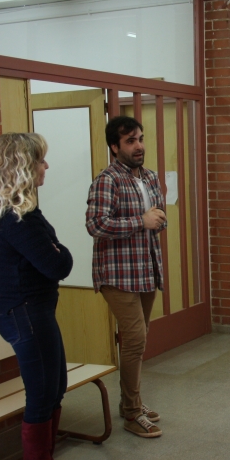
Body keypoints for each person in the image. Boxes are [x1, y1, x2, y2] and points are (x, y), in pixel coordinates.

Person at [0, 133, 77, 460]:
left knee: (56, 388)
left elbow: (55, 257)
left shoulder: (22, 212)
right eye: (40, 161)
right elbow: (59, 264)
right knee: (42, 395)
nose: (46, 167)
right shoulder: (19, 219)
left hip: (32, 311)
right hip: (26, 313)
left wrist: (56, 250)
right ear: (21, 168)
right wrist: (58, 249)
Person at [86, 116, 166, 438]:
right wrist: (140, 221)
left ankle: (129, 402)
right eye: (131, 141)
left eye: (141, 139)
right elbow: (96, 225)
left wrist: (157, 221)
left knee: (137, 339)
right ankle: (133, 414)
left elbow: (158, 218)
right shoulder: (107, 180)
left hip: (145, 269)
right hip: (117, 275)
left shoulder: (149, 177)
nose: (139, 146)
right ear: (115, 146)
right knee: (134, 339)